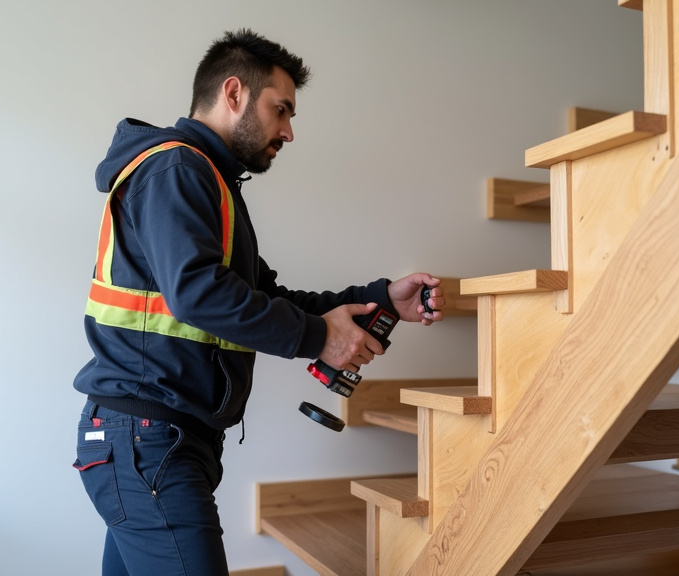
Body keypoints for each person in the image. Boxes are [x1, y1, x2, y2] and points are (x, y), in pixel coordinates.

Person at [72, 28, 444, 576]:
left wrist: (378, 298)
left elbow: (265, 296)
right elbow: (199, 293)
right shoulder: (177, 171)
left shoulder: (210, 183)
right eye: (281, 110)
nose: (289, 132)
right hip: (147, 441)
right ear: (234, 93)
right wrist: (322, 337)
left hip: (155, 439)